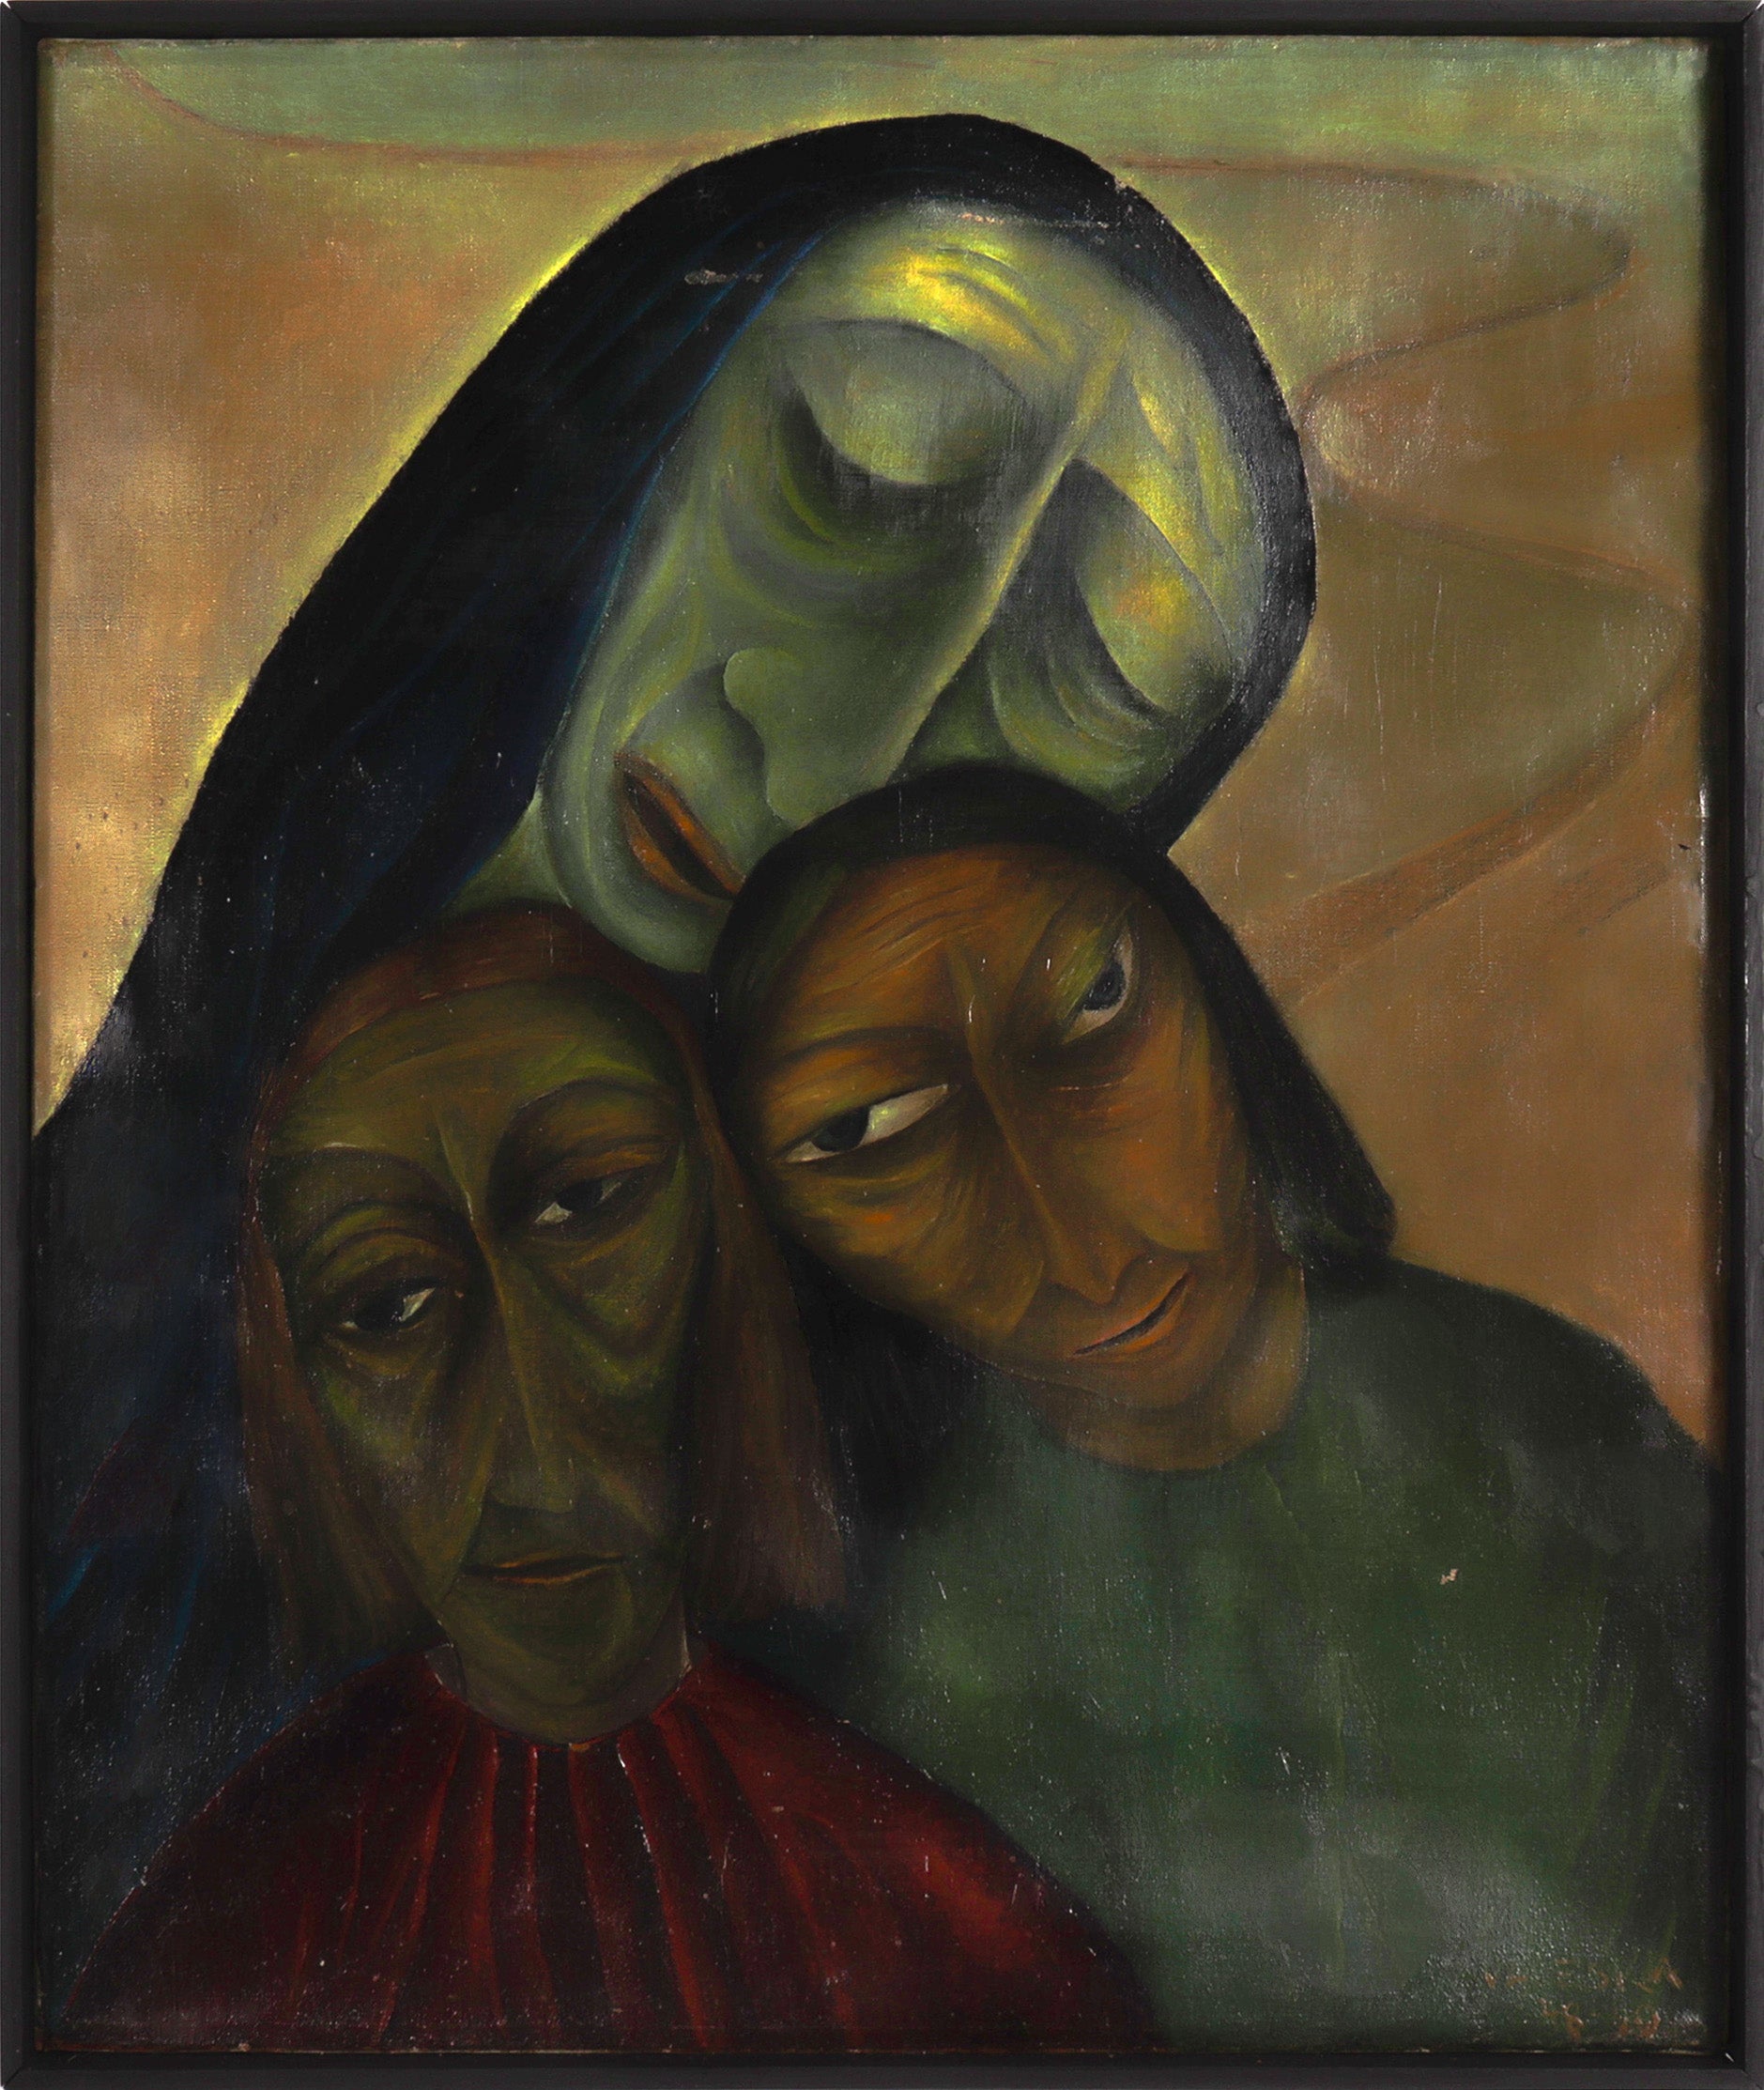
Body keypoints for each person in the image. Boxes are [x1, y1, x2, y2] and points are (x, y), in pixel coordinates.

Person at [36, 114, 1313, 1999]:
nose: (846, 746)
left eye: (1093, 686)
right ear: (603, 434)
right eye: (856, 476)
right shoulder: (64, 1355)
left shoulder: (999, 1628)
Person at [704, 767, 1726, 2052]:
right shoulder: (923, 1674)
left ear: (1212, 983)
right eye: (867, 1129)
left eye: (1093, 1004)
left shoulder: (1538, 1417)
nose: (1080, 1247)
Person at [61, 904, 1152, 2054]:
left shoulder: (964, 1942)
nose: (530, 1437)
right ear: (304, 1404)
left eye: (585, 1205)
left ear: (722, 1237)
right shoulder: (216, 1947)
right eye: (385, 1302)